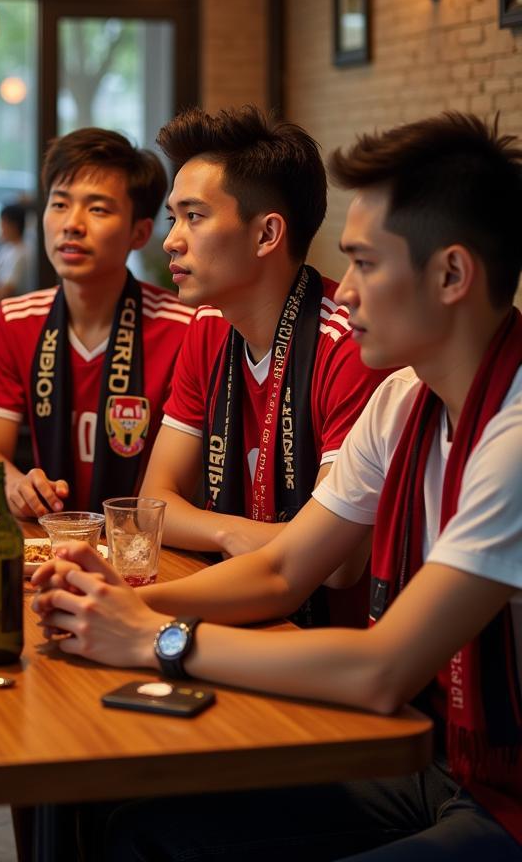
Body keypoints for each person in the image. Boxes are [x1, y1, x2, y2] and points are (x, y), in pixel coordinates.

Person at [33, 111, 522, 860]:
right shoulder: (406, 400)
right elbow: (284, 568)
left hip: (498, 794)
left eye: (365, 264)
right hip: (441, 760)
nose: (346, 292)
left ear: (452, 275)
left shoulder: (512, 436)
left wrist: (157, 639)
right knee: (137, 827)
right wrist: (116, 605)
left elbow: (380, 668)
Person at [141, 106, 387, 626]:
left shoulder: (348, 345)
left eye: (195, 216)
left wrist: (215, 528)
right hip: (239, 606)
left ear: (266, 234)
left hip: (324, 642)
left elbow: (340, 563)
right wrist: (231, 533)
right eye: (172, 218)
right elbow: (152, 504)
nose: (171, 240)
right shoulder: (208, 327)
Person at [0, 127, 192, 517]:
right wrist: (17, 485)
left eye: (98, 209)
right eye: (59, 204)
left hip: (147, 540)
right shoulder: (16, 320)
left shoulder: (184, 328)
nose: (72, 224)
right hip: (48, 538)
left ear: (139, 232)